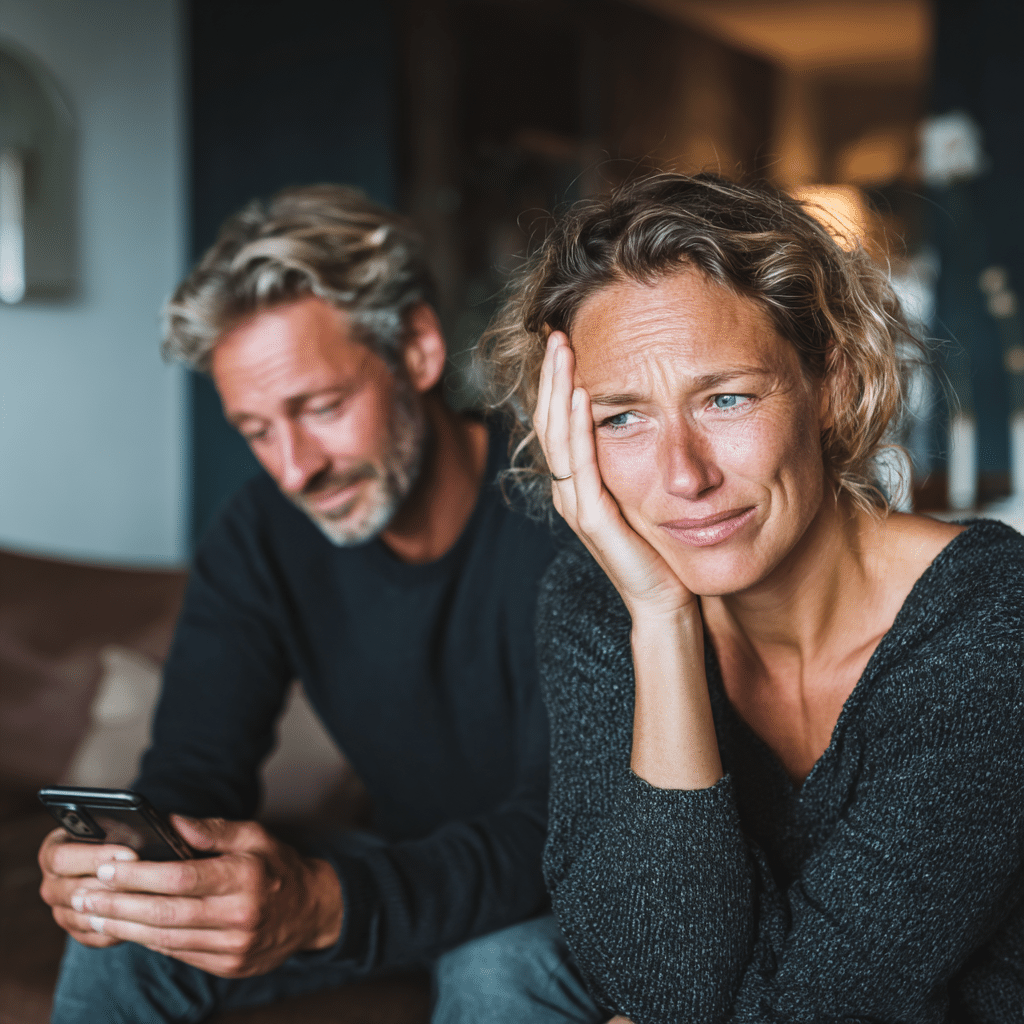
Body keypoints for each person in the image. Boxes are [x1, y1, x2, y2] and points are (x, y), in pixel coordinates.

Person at [475, 172, 1024, 1022]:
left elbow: (813, 1002)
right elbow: (660, 985)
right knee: (497, 973)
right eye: (622, 418)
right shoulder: (594, 605)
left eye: (726, 399)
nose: (684, 475)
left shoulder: (990, 618)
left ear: (830, 386)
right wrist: (660, 621)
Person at [37, 184, 567, 1023]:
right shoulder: (260, 534)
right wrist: (132, 865)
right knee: (124, 946)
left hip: (567, 882)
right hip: (404, 858)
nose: (293, 469)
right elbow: (194, 772)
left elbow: (570, 827)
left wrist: (327, 901)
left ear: (420, 349)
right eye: (255, 430)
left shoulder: (564, 515)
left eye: (321, 409)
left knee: (498, 964)